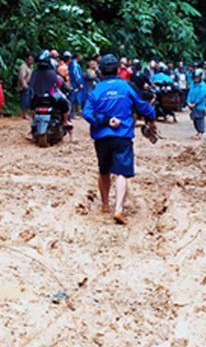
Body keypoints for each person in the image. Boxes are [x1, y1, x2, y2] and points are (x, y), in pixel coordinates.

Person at [83, 54, 157, 225]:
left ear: (100, 70)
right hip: (122, 136)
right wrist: (152, 118)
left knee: (104, 171)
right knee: (121, 173)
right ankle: (118, 209)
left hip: (101, 137)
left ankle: (104, 205)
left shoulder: (95, 90)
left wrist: (104, 120)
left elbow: (87, 113)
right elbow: (142, 104)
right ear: (117, 70)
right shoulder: (126, 86)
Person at [30, 50, 72, 135]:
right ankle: (65, 121)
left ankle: (34, 121)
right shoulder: (53, 74)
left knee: (32, 105)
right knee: (65, 104)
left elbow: (30, 83)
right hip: (51, 96)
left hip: (37, 96)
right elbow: (60, 84)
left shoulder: (34, 73)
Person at [186, 69, 206, 140]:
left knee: (200, 119)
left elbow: (201, 95)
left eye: (197, 77)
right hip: (192, 105)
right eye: (195, 77)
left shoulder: (203, 86)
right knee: (194, 120)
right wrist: (188, 102)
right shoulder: (193, 84)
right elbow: (189, 94)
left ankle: (200, 133)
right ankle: (198, 132)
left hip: (200, 106)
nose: (196, 79)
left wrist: (195, 103)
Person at [16, 53, 34, 119]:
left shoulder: (30, 67)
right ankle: (23, 114)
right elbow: (22, 77)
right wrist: (25, 86)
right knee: (24, 100)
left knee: (29, 100)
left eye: (32, 60)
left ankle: (27, 113)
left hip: (29, 85)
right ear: (26, 59)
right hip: (24, 85)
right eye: (30, 60)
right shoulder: (23, 67)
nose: (31, 61)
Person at [69, 52, 85, 117]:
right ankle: (73, 113)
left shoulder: (73, 64)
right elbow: (76, 75)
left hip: (74, 84)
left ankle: (74, 112)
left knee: (75, 98)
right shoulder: (75, 65)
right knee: (74, 98)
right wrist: (79, 83)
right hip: (75, 84)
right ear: (77, 57)